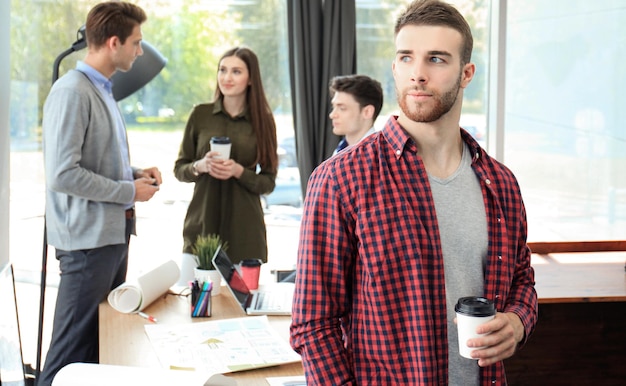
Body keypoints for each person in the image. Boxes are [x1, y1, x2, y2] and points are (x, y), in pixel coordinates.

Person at [289, 0, 538, 384]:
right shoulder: (341, 179)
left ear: (466, 73)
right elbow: (313, 325)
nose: (418, 74)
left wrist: (518, 322)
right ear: (394, 67)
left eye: (436, 59)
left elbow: (522, 278)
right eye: (406, 58)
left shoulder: (500, 183)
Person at [40, 2, 161, 385]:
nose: (140, 51)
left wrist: (134, 173)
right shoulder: (72, 92)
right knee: (68, 358)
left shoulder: (101, 90)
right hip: (87, 245)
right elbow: (63, 174)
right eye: (136, 43)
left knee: (95, 352)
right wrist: (129, 190)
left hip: (108, 239)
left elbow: (92, 160)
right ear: (113, 43)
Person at [174, 46, 278, 270]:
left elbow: (268, 182)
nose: (227, 77)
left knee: (240, 305)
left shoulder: (264, 122)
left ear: (251, 79)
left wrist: (239, 172)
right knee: (192, 302)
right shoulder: (200, 115)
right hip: (201, 226)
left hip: (245, 233)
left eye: (236, 71)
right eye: (222, 70)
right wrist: (200, 166)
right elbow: (180, 169)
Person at [329, 74, 383, 156]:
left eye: (342, 108)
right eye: (333, 107)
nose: (332, 115)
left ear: (367, 112)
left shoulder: (378, 155)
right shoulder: (341, 149)